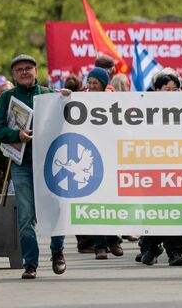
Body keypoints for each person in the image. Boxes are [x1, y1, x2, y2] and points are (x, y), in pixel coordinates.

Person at [0, 54, 69, 279]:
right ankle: (30, 263)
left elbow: (69, 118)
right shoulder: (7, 97)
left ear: (36, 71)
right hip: (22, 165)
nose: (24, 72)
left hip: (51, 164)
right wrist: (17, 134)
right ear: (14, 75)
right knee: (25, 216)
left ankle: (57, 252)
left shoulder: (49, 94)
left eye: (28, 68)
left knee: (55, 209)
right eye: (19, 69)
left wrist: (67, 99)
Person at [137, 69, 182, 266]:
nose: (172, 94)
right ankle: (150, 245)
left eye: (175, 90)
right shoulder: (143, 109)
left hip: (175, 166)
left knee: (174, 208)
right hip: (150, 167)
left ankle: (175, 252)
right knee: (154, 208)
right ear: (156, 89)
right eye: (167, 89)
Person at [82, 67, 125, 260]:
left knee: (110, 199)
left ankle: (113, 239)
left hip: (110, 155)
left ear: (103, 85)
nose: (91, 86)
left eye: (95, 83)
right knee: (95, 200)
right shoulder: (80, 101)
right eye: (89, 82)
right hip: (90, 156)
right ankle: (100, 246)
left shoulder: (112, 102)